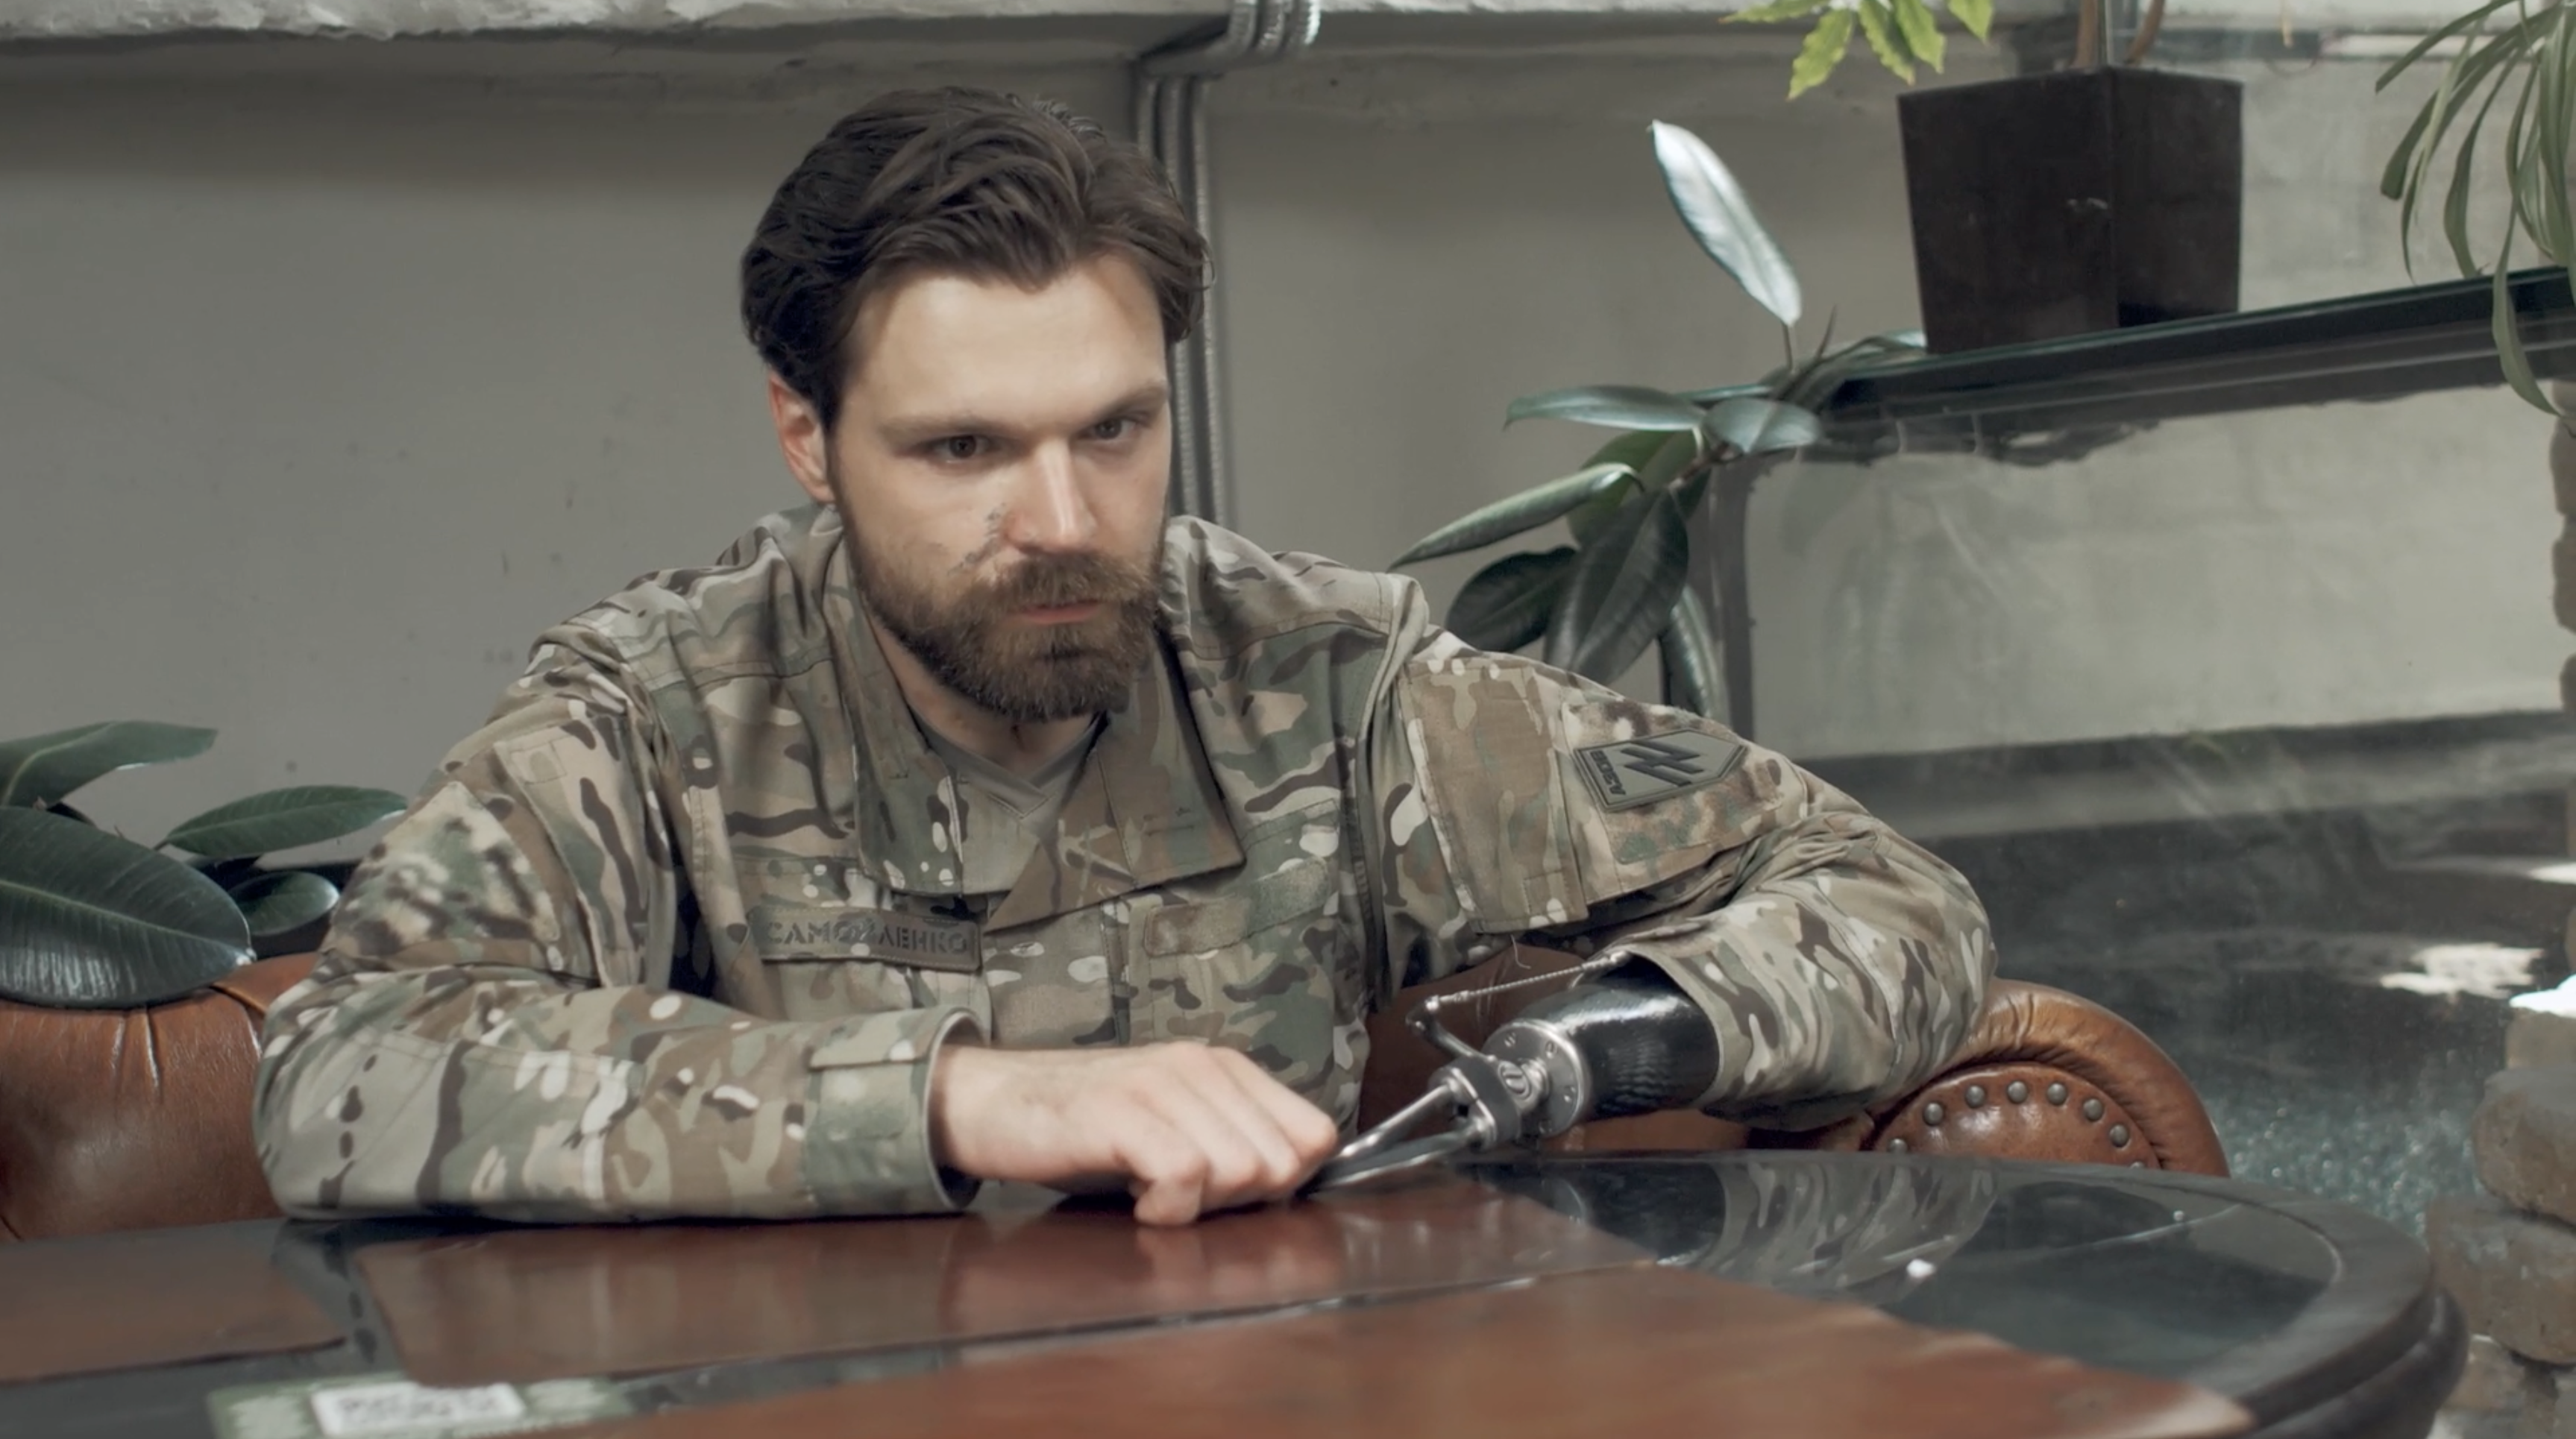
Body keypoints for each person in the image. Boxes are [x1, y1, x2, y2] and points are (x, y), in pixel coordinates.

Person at [252, 87, 1995, 1229]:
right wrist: (962, 1095)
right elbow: (344, 1065)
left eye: (1115, 428)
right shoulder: (658, 714)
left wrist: (1596, 1047)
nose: (1062, 517)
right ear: (806, 435)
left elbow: (1887, 898)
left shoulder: (1320, 683)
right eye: (963, 451)